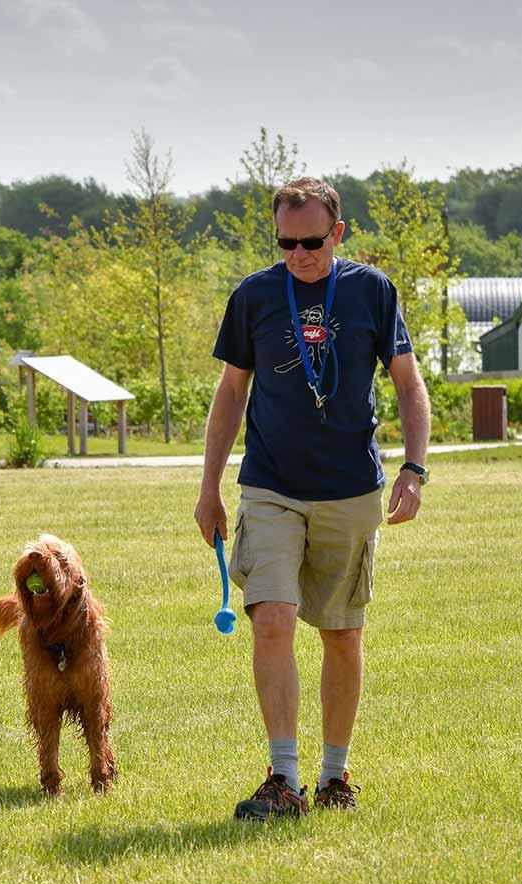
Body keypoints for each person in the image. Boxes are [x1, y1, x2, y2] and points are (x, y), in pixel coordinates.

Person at [194, 177, 431, 821]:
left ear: (339, 232)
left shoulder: (372, 292)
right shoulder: (254, 296)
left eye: (311, 241)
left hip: (350, 490)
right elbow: (230, 394)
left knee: (341, 635)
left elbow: (409, 386)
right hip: (270, 485)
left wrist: (415, 468)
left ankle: (333, 777)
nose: (298, 254)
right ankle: (283, 777)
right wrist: (209, 485)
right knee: (270, 617)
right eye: (286, 242)